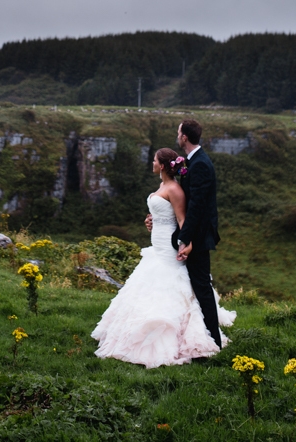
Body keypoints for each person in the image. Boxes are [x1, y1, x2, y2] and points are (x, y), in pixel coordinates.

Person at [91, 146, 235, 368]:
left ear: (163, 165)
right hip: (156, 242)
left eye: (155, 160)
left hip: (168, 246)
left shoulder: (175, 189)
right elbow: (161, 213)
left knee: (167, 283)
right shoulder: (162, 186)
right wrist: (151, 221)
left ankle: (170, 335)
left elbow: (182, 220)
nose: (152, 163)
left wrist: (186, 243)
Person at [171, 118, 222, 349]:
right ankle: (202, 334)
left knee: (201, 285)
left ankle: (213, 340)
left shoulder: (200, 164)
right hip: (196, 232)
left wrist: (185, 238)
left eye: (178, 132)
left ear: (184, 137)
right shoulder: (193, 161)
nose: (177, 134)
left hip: (199, 236)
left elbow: (197, 206)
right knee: (198, 285)